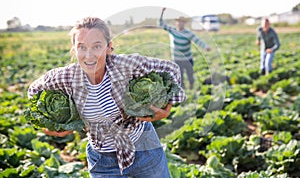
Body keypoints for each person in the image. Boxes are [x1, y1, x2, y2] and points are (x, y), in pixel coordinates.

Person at [27, 17, 186, 178]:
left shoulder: (126, 66)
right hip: (102, 158)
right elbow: (34, 91)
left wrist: (167, 106)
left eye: (97, 46)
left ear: (109, 47)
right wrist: (54, 125)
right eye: (81, 47)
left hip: (145, 146)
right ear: (74, 49)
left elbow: (170, 69)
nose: (89, 56)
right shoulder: (66, 77)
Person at [159, 7, 211, 89]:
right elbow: (161, 24)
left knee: (190, 75)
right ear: (176, 23)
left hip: (188, 59)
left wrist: (205, 47)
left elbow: (197, 40)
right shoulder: (173, 31)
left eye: (182, 22)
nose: (180, 23)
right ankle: (183, 91)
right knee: (180, 77)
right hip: (177, 59)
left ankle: (191, 87)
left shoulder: (188, 33)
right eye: (178, 22)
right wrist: (162, 13)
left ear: (184, 23)